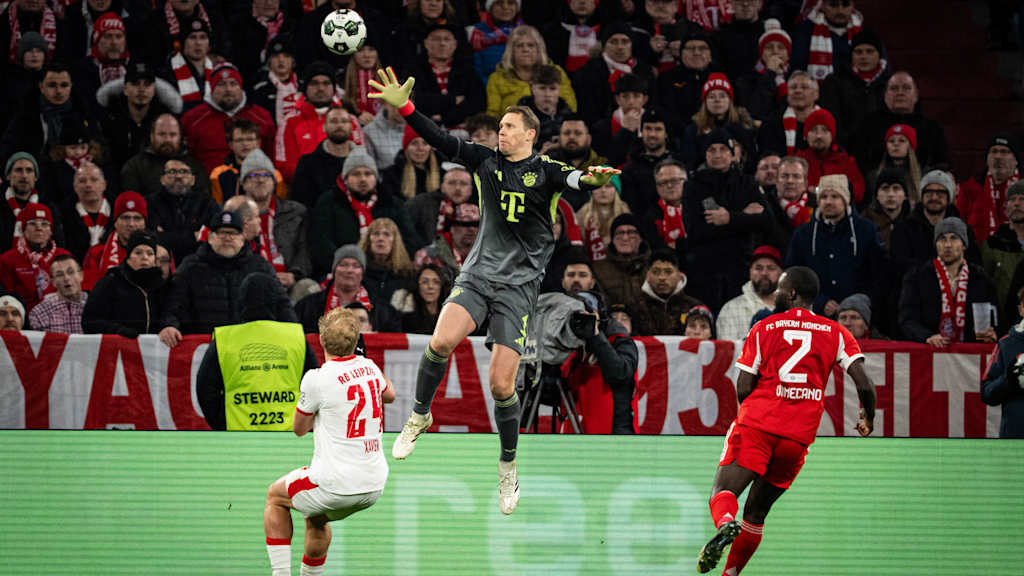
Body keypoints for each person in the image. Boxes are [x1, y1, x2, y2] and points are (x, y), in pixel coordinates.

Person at [368, 66, 618, 514]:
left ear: (529, 134)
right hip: (478, 276)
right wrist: (405, 106)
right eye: (499, 127)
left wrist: (594, 179)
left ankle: (507, 467)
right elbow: (443, 140)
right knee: (442, 341)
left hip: (519, 291)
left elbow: (578, 180)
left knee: (501, 385)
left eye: (507, 127)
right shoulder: (486, 161)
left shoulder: (547, 171)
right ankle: (419, 415)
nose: (499, 132)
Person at [696, 266, 876, 575]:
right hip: (797, 438)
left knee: (723, 494)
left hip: (758, 425)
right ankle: (731, 573)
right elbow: (865, 384)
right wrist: (867, 417)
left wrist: (750, 419)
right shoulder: (836, 332)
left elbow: (743, 385)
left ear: (791, 293)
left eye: (780, 288)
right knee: (756, 513)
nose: (777, 293)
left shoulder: (764, 328)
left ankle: (725, 525)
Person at [262, 306, 395, 576]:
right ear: (357, 341)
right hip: (373, 485)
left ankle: (279, 574)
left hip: (336, 482)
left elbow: (299, 429)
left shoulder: (317, 379)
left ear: (321, 340)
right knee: (316, 518)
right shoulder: (369, 367)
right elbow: (389, 395)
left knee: (275, 497)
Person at [196, 273, 317, 431]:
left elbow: (205, 390)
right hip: (289, 436)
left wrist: (223, 423)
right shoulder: (295, 337)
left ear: (241, 299)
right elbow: (314, 386)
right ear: (276, 300)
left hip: (238, 435)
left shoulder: (224, 339)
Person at [158, 210, 296, 345]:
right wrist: (169, 325)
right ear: (210, 238)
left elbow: (282, 304)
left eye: (233, 233)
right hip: (204, 348)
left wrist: (292, 331)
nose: (228, 238)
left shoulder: (261, 267)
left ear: (243, 239)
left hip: (252, 348)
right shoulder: (190, 267)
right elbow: (174, 302)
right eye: (221, 232)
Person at [683, 130, 772, 313]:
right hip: (704, 271)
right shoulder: (693, 185)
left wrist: (729, 218)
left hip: (739, 267)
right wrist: (744, 218)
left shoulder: (747, 183)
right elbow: (695, 230)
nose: (717, 154)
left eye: (723, 149)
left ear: (732, 154)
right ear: (705, 154)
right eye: (712, 150)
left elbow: (766, 220)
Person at [309, 147, 423, 277]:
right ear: (345, 179)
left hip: (389, 272)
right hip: (343, 273)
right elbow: (321, 244)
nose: (363, 179)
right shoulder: (328, 202)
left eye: (368, 174)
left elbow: (410, 240)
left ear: (375, 178)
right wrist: (348, 267)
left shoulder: (392, 203)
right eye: (356, 174)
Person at [785, 174, 887, 318]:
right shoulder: (803, 234)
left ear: (846, 199)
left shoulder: (867, 231)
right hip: (814, 315)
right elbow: (793, 276)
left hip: (858, 317)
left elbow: (879, 275)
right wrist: (818, 302)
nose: (828, 202)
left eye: (835, 196)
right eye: (824, 197)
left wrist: (857, 304)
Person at [899, 217, 999, 346]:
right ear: (936, 244)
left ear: (964, 244)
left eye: (953, 238)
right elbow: (907, 319)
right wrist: (927, 336)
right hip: (930, 352)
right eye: (942, 239)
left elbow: (997, 318)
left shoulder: (981, 278)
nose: (947, 245)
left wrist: (993, 333)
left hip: (970, 356)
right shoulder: (917, 276)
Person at [239, 149, 312, 297]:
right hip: (251, 281)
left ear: (273, 182)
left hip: (291, 279)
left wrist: (294, 274)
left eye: (266, 175)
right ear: (244, 184)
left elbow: (305, 249)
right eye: (253, 175)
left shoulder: (296, 212)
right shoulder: (235, 214)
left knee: (309, 288)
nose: (260, 180)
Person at [180, 63, 275, 174]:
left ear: (241, 88)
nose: (228, 89)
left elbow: (272, 157)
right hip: (209, 186)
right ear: (212, 89)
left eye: (233, 83)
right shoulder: (192, 119)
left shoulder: (262, 117)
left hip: (254, 184)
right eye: (221, 84)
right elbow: (186, 161)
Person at [851, 71, 949, 173]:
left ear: (916, 95)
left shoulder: (931, 129)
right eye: (894, 88)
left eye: (906, 88)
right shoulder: (868, 126)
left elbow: (942, 165)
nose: (900, 93)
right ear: (885, 96)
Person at [295, 244, 401, 335]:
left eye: (356, 266)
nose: (350, 270)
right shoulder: (307, 306)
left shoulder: (384, 312)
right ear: (334, 270)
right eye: (343, 264)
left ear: (362, 273)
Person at [97, 62, 183, 168]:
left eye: (147, 84)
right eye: (135, 83)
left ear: (154, 89)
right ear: (125, 89)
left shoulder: (166, 120)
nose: (141, 89)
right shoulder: (109, 118)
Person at [82, 229, 168, 337]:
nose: (145, 257)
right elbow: (90, 322)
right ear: (128, 258)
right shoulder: (109, 283)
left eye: (150, 253)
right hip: (118, 350)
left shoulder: (161, 286)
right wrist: (119, 331)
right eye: (138, 252)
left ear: (155, 260)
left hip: (154, 351)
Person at [818, 28, 891, 151]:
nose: (864, 56)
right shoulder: (834, 82)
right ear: (851, 55)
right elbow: (832, 121)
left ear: (879, 55)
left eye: (870, 51)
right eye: (858, 52)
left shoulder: (892, 83)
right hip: (846, 151)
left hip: (884, 152)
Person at [485, 25, 576, 119]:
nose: (525, 49)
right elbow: (493, 114)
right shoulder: (497, 78)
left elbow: (570, 105)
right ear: (511, 51)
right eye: (519, 46)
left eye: (531, 45)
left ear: (539, 49)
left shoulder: (557, 72)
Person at [410, 23, 485, 130]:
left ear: (455, 44)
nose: (442, 43)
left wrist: (443, 118)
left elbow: (477, 103)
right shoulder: (414, 70)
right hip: (422, 129)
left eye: (447, 39)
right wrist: (452, 100)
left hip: (461, 130)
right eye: (436, 39)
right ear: (426, 43)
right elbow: (416, 101)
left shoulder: (468, 71)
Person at [146, 157, 219, 264]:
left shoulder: (206, 202)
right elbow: (153, 238)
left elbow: (211, 237)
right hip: (161, 261)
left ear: (193, 179)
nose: (179, 176)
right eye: (172, 172)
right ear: (162, 179)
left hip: (200, 262)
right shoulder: (150, 203)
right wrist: (193, 237)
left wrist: (168, 236)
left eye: (184, 172)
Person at [0, 203, 70, 313]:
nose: (39, 228)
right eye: (32, 223)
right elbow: (8, 298)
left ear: (51, 230)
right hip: (24, 320)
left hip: (60, 317)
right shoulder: (7, 259)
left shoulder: (64, 257)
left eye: (44, 224)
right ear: (23, 229)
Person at [120, 113, 210, 197]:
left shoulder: (194, 166)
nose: (167, 139)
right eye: (162, 134)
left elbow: (204, 202)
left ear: (180, 137)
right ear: (151, 136)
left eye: (173, 135)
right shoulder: (135, 166)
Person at [957, 133, 1021, 243]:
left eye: (1004, 152)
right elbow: (958, 226)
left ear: (1016, 160)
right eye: (994, 151)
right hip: (979, 255)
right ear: (987, 159)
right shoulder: (970, 188)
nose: (998, 157)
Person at [290, 106, 357, 208]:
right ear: (324, 127)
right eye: (333, 121)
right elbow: (299, 203)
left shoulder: (364, 162)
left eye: (344, 121)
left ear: (351, 127)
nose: (339, 125)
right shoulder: (307, 163)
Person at [795, 108, 865, 205]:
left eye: (825, 130)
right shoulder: (797, 163)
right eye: (813, 130)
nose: (819, 136)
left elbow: (858, 193)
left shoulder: (846, 161)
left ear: (832, 135)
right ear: (806, 135)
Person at [209, 118, 287, 204]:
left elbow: (280, 207)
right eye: (239, 140)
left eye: (250, 139)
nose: (245, 144)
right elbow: (217, 208)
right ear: (230, 144)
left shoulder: (274, 175)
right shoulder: (218, 174)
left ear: (258, 143)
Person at [81, 190, 146, 290]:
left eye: (137, 218)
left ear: (144, 223)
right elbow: (89, 289)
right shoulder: (97, 253)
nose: (131, 224)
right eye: (125, 218)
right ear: (115, 222)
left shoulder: (158, 251)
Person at [981, 286, 1024, 437]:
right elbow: (987, 394)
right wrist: (1008, 379)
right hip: (1015, 439)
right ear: (1021, 309)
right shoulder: (1006, 345)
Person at [1, 152, 63, 254]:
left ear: (35, 177)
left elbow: (58, 242)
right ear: (8, 176)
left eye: (29, 170)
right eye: (18, 170)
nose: (24, 175)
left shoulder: (48, 207)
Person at [716, 245, 782, 341]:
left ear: (781, 272)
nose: (764, 273)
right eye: (758, 268)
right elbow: (728, 352)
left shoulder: (793, 307)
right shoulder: (731, 309)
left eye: (771, 268)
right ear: (750, 272)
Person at [631, 249, 703, 335]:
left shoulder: (695, 308)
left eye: (668, 272)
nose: (662, 277)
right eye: (656, 272)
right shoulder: (634, 308)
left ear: (680, 276)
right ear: (647, 276)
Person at [791, 0, 865, 81]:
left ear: (852, 6)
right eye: (833, 5)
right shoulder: (805, 31)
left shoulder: (862, 33)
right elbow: (797, 70)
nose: (840, 10)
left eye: (845, 4)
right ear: (823, 6)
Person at [405, 162, 474, 246]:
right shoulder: (419, 204)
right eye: (452, 183)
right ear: (442, 187)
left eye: (463, 184)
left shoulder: (481, 209)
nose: (457, 188)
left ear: (471, 189)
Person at [981, 181, 1024, 310]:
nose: (1016, 203)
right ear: (1005, 208)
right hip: (1003, 321)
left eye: (1022, 199)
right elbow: (984, 286)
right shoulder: (992, 244)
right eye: (1012, 199)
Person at [592, 213, 650, 310]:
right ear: (613, 239)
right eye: (620, 232)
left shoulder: (653, 266)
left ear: (641, 238)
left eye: (631, 232)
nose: (625, 238)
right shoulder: (598, 269)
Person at [758, 71, 819, 156]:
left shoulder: (828, 124)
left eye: (804, 87)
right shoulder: (771, 124)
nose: (798, 91)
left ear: (816, 94)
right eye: (793, 87)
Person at [359, 218, 413, 311]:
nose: (380, 238)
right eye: (376, 233)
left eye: (386, 234)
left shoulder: (405, 274)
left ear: (395, 241)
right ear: (369, 239)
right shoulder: (358, 272)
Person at [27, 254, 87, 333]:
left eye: (71, 272)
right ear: (53, 282)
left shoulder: (96, 307)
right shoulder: (38, 314)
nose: (66, 278)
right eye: (59, 275)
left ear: (81, 275)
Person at [575, 176, 629, 262]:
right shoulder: (580, 217)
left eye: (608, 186)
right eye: (598, 186)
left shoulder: (627, 215)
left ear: (616, 190)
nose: (603, 190)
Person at [468, 0, 522, 82]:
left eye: (510, 3)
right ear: (490, 7)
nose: (505, 7)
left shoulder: (528, 34)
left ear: (517, 8)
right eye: (499, 3)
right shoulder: (474, 33)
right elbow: (474, 74)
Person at [863, 168, 911, 251]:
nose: (890, 194)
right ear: (877, 196)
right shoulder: (865, 224)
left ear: (905, 195)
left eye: (896, 188)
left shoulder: (913, 225)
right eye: (885, 188)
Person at [401, 264, 451, 334]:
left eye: (436, 282)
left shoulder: (451, 318)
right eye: (425, 282)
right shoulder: (406, 320)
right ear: (417, 286)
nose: (430, 286)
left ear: (442, 287)